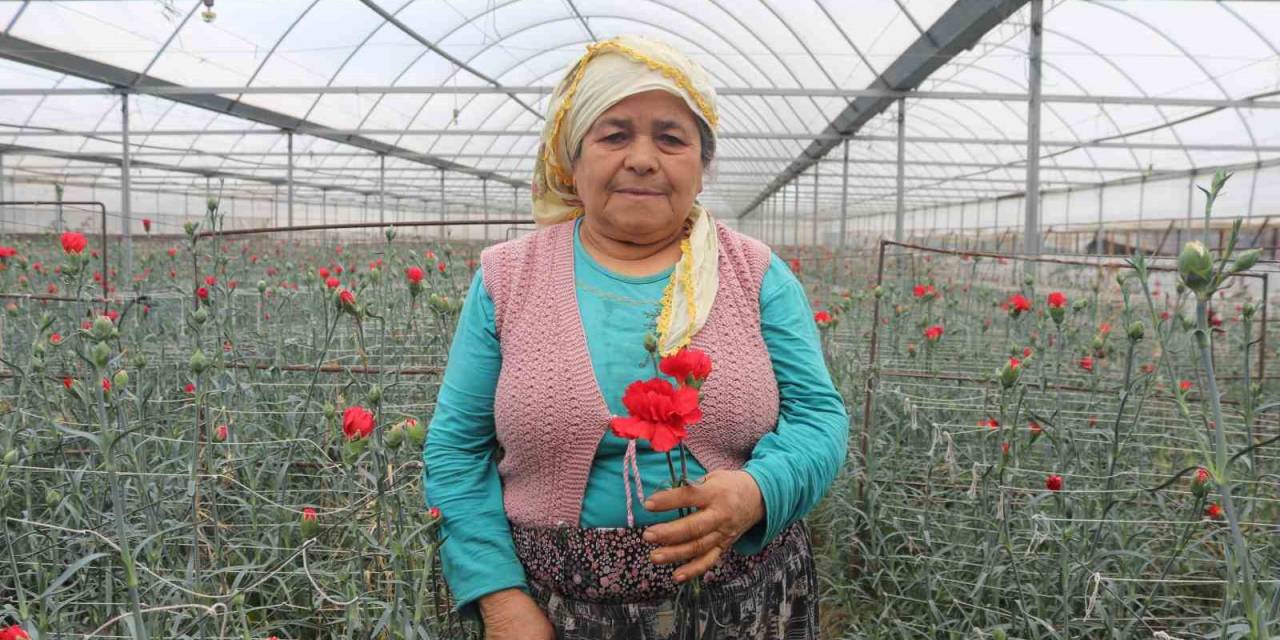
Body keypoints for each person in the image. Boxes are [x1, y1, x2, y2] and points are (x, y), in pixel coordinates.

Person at [422, 34, 849, 639]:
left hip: (745, 603)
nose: (643, 158)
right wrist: (498, 597)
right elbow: (455, 451)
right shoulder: (507, 277)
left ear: (702, 167)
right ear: (572, 161)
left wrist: (757, 491)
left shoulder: (756, 273)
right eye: (614, 134)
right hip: (550, 612)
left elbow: (818, 418)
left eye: (671, 138)